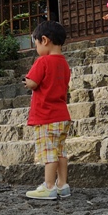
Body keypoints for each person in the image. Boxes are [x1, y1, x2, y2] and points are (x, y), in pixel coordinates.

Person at [22, 20, 72, 200]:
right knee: (61, 152)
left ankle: (49, 186)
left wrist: (27, 82)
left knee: (49, 152)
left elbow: (33, 83)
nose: (36, 48)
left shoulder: (42, 61)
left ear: (44, 40)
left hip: (46, 115)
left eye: (36, 44)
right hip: (62, 115)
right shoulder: (64, 64)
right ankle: (62, 184)